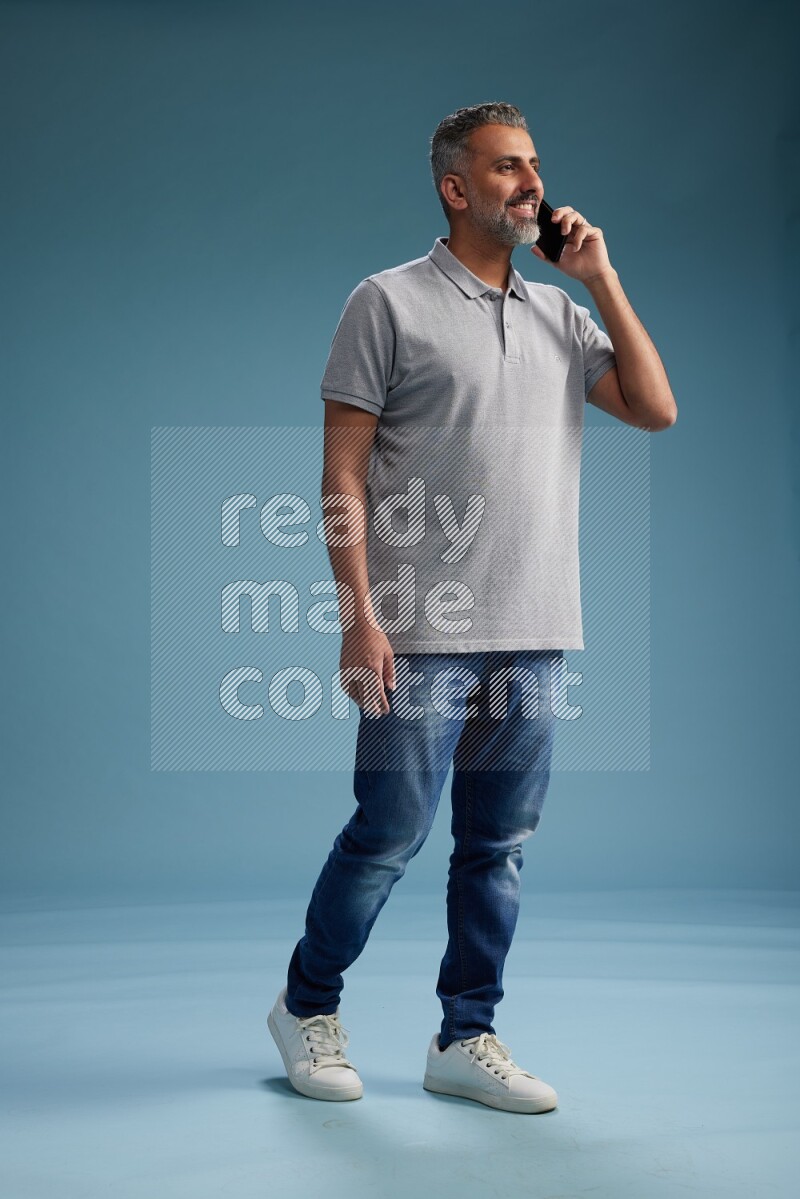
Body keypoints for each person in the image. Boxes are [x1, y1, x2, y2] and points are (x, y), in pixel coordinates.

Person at [268, 101, 677, 1113]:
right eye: (505, 168)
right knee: (388, 834)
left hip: (534, 629)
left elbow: (654, 406)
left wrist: (599, 278)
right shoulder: (386, 302)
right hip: (416, 625)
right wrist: (357, 614)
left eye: (533, 165)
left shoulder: (559, 313)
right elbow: (341, 474)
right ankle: (305, 1003)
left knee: (496, 846)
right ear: (455, 188)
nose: (528, 183)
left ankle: (465, 1033)